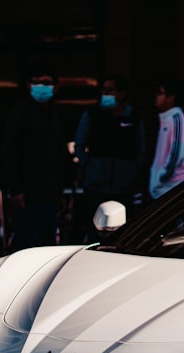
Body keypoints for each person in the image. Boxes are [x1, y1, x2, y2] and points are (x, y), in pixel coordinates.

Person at [1, 65, 70, 251]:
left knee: (48, 243)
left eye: (46, 82)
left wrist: (60, 190)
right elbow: (10, 151)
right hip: (28, 194)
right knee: (28, 244)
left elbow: (58, 155)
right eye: (37, 82)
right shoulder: (20, 114)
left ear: (55, 87)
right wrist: (15, 189)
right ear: (28, 85)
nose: (41, 86)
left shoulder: (54, 116)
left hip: (50, 193)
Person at [72, 74, 146, 243]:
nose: (105, 94)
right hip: (96, 184)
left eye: (109, 90)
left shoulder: (134, 118)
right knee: (93, 230)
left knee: (124, 233)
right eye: (103, 90)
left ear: (122, 94)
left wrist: (132, 172)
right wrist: (88, 166)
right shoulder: (92, 114)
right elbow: (79, 143)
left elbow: (140, 149)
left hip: (124, 186)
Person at [149, 78, 184, 201]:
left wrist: (163, 176)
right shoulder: (169, 119)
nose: (156, 96)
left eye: (160, 93)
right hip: (165, 189)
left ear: (171, 98)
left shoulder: (177, 120)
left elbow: (177, 152)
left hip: (172, 188)